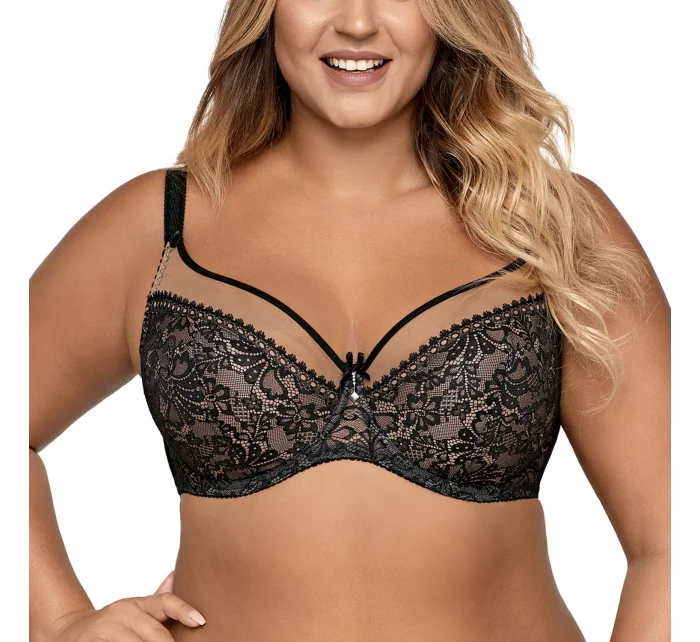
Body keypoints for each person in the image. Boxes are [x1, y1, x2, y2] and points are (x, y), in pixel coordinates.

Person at [29, 0, 670, 640]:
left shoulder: (555, 228)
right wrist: (60, 621)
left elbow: (669, 542)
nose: (357, 23)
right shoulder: (162, 229)